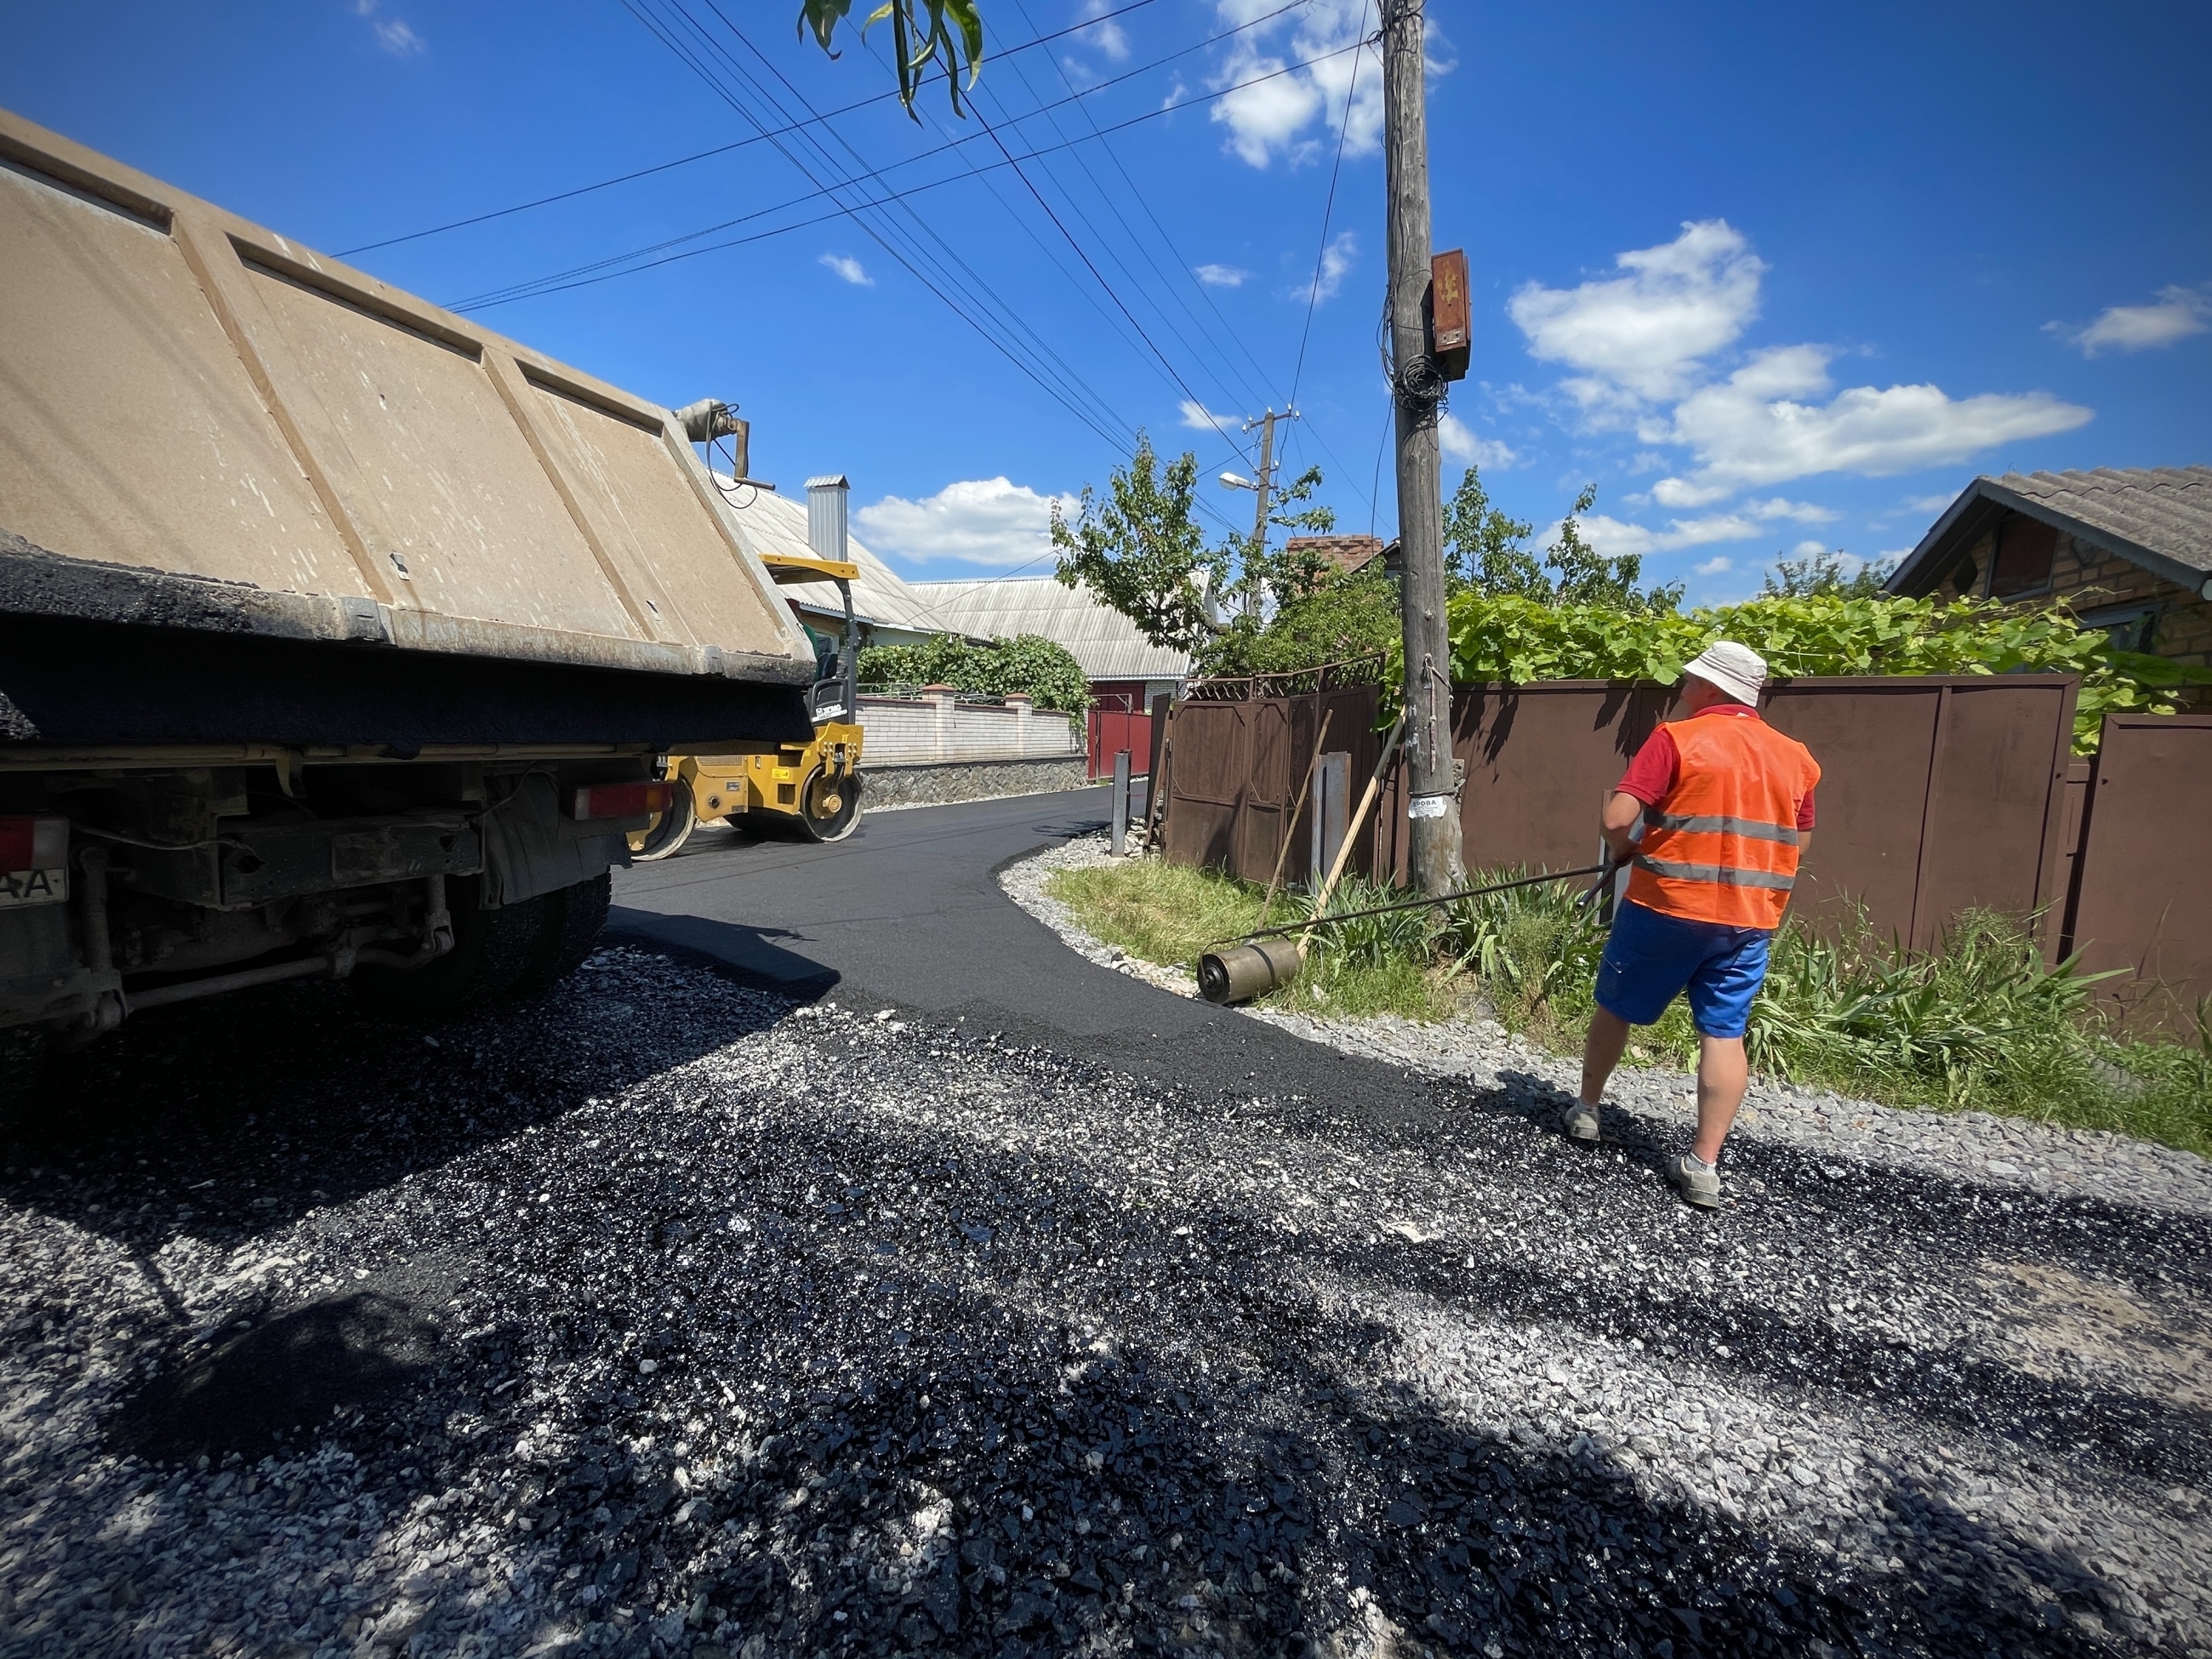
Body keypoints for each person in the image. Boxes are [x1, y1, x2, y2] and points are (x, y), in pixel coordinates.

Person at [1564, 641, 1821, 1209]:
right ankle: (1704, 1165)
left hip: (1666, 907)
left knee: (1617, 1005)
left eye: (1692, 678)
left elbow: (1616, 817)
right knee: (1724, 1033)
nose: (1684, 684)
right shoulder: (1795, 757)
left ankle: (1586, 1110)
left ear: (1713, 688)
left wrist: (1624, 849)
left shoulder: (1677, 738)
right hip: (1748, 922)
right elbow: (1797, 842)